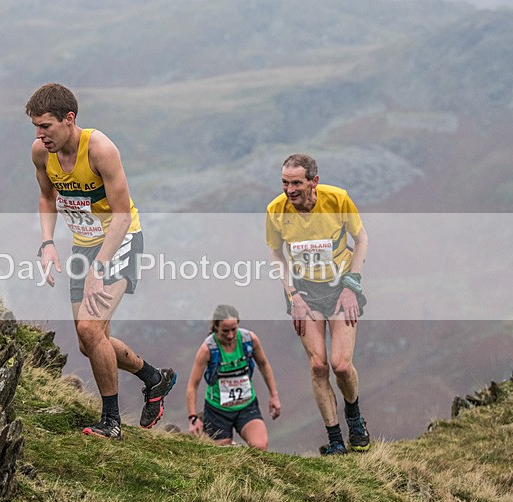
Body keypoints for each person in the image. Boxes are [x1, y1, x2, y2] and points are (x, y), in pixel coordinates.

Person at [26, 83, 176, 440]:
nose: (39, 134)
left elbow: (122, 215)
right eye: (35, 126)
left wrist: (100, 268)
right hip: (84, 244)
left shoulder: (101, 150)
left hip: (120, 240)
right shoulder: (40, 153)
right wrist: (47, 243)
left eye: (46, 125)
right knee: (89, 340)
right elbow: (47, 198)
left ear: (69, 119)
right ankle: (154, 378)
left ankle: (111, 422)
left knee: (90, 330)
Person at [265, 153, 370, 455]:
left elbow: (361, 239)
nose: (289, 190)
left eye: (296, 183)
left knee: (340, 365)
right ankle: (336, 439)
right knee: (318, 365)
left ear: (314, 181)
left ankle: (354, 416)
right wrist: (291, 295)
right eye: (285, 183)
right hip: (304, 292)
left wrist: (352, 285)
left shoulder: (337, 199)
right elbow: (275, 253)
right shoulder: (276, 210)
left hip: (340, 289)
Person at [186, 305, 281, 450]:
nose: (230, 335)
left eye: (233, 330)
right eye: (225, 331)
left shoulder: (249, 340)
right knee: (222, 456)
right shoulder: (208, 349)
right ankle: (230, 445)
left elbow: (264, 365)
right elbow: (193, 385)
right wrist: (193, 418)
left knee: (260, 447)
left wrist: (274, 395)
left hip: (246, 405)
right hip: (217, 410)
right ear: (216, 327)